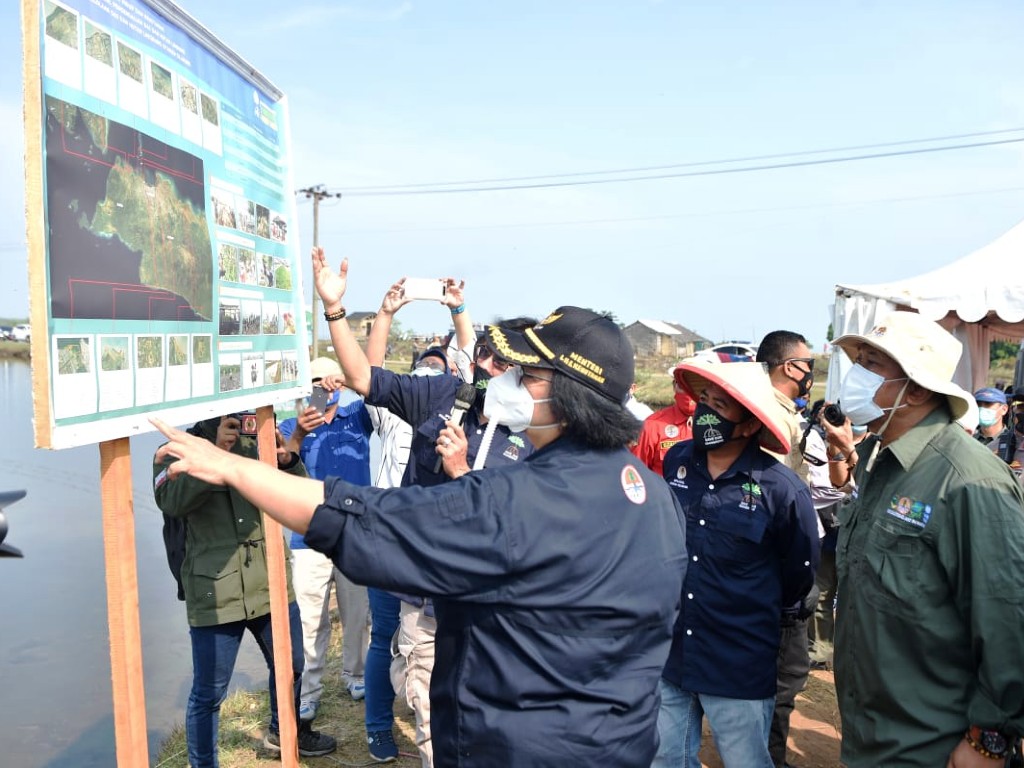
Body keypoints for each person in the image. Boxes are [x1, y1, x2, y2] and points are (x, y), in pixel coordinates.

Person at [151, 296, 689, 768]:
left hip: (522, 745)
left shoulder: (522, 500)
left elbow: (364, 518)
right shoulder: (653, 495)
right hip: (617, 742)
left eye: (525, 375)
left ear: (572, 396)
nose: (502, 381)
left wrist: (235, 468)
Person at [820, 310, 1024, 767]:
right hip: (872, 734)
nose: (855, 375)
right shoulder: (876, 458)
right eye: (860, 360)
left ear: (914, 388)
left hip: (933, 746)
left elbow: (1008, 617)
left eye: (872, 364)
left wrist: (987, 739)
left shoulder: (966, 478)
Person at [343, 273, 482, 763]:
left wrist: (457, 309)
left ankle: (435, 720)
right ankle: (380, 728)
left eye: (438, 366)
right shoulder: (390, 413)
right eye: (422, 366)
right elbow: (369, 369)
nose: (429, 372)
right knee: (385, 639)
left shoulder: (455, 412)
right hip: (386, 537)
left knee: (425, 644)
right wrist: (384, 314)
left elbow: (470, 359)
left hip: (428, 548)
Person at [653, 360, 818, 768]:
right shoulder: (677, 461)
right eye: (703, 401)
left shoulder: (780, 488)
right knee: (666, 759)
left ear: (747, 425)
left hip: (738, 661)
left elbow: (799, 574)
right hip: (673, 650)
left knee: (746, 760)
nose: (705, 413)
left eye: (720, 407)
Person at [153, 414, 337, 766]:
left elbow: (303, 496)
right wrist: (218, 452)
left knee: (293, 665)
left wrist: (288, 461)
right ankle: (203, 763)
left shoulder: (260, 440)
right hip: (216, 592)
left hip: (270, 583)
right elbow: (171, 502)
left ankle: (282, 734)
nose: (236, 415)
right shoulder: (177, 448)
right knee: (209, 692)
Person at [278, 356, 372, 722]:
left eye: (327, 380)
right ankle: (309, 691)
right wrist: (300, 433)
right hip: (308, 537)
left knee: (356, 613)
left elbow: (373, 386)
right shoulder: (291, 424)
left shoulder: (358, 417)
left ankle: (356, 675)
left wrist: (347, 379)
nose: (322, 387)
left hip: (354, 534)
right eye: (314, 381)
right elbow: (281, 461)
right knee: (311, 620)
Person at [756, 329, 821, 768]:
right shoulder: (772, 417)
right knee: (784, 674)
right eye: (807, 364)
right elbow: (777, 499)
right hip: (778, 567)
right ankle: (767, 759)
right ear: (787, 367)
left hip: (772, 564)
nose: (811, 373)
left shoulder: (774, 410)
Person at [631, 363, 696, 476]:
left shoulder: (718, 426)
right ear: (674, 386)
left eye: (693, 385)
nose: (688, 392)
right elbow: (634, 474)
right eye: (682, 385)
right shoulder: (652, 426)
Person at [973, 386, 1015, 462]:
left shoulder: (1013, 441)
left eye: (988, 404)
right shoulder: (968, 437)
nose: (982, 408)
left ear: (1004, 409)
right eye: (978, 404)